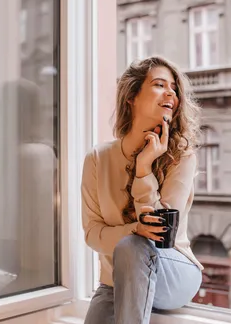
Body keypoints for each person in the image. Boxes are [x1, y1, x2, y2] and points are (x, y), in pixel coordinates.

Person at [82, 56, 204, 324]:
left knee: (133, 246)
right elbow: (92, 234)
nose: (170, 92)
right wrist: (133, 230)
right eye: (160, 84)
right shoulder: (97, 159)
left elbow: (161, 233)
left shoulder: (181, 156)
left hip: (173, 270)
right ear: (132, 97)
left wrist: (143, 168)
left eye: (174, 88)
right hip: (114, 280)